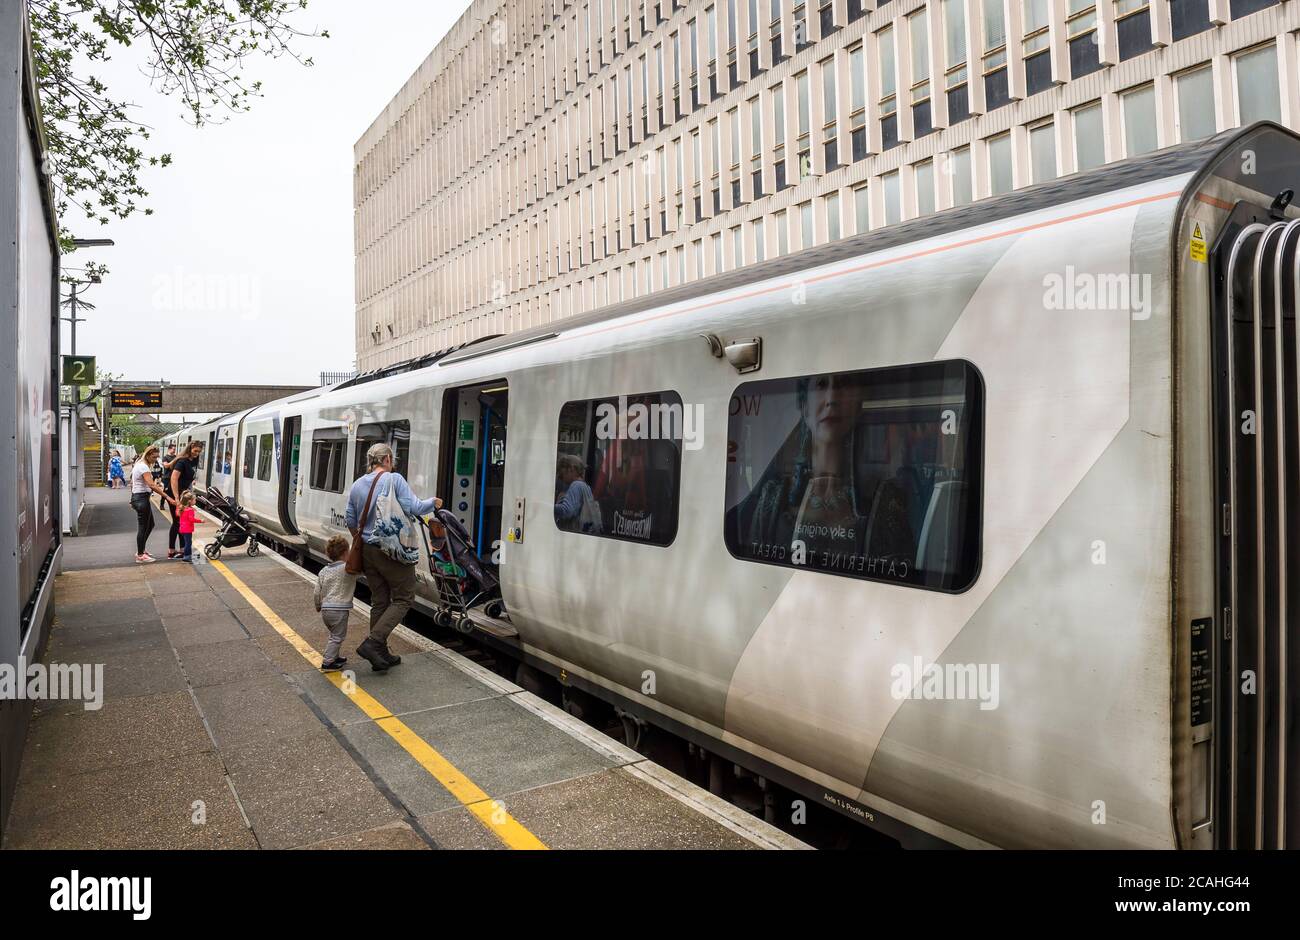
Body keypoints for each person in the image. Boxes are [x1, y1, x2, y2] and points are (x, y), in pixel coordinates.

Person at [344, 442, 441, 671]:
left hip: (367, 550)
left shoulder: (358, 484)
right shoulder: (394, 479)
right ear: (387, 459)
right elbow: (415, 507)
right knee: (404, 598)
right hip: (392, 550)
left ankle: (381, 654)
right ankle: (373, 643)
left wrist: (364, 538)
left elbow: (350, 519)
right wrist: (434, 503)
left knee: (380, 600)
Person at [313, 535, 356, 673]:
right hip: (339, 610)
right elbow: (362, 572)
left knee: (334, 635)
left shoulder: (323, 571)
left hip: (326, 610)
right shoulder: (348, 568)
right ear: (345, 553)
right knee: (338, 636)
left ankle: (335, 657)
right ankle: (328, 662)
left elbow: (316, 592)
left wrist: (318, 606)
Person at [131, 446, 177, 563]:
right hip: (141, 498)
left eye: (157, 457)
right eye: (153, 457)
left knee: (150, 524)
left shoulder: (140, 464)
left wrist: (132, 498)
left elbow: (134, 482)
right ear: (147, 455)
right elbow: (152, 485)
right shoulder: (143, 466)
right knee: (143, 527)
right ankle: (140, 555)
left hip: (140, 498)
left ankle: (141, 550)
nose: (155, 459)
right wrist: (167, 497)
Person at [166, 441, 203, 559]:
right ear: (190, 449)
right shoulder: (182, 461)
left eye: (199, 451)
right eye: (195, 451)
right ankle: (172, 550)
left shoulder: (194, 460)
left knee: (182, 521)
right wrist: (176, 497)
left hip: (184, 493)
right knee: (177, 522)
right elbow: (174, 479)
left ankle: (182, 549)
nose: (197, 453)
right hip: (174, 493)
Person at [554, 454, 599, 533]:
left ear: (571, 469)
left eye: (561, 475)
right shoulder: (586, 487)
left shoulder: (576, 485)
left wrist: (549, 506)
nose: (561, 479)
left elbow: (567, 510)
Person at [176, 490, 198, 562]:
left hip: (182, 529)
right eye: (194, 500)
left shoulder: (182, 508)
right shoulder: (189, 510)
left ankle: (188, 555)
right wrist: (201, 521)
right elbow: (191, 519)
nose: (195, 501)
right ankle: (187, 556)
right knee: (188, 543)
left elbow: (178, 514)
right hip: (187, 529)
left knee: (187, 542)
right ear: (189, 501)